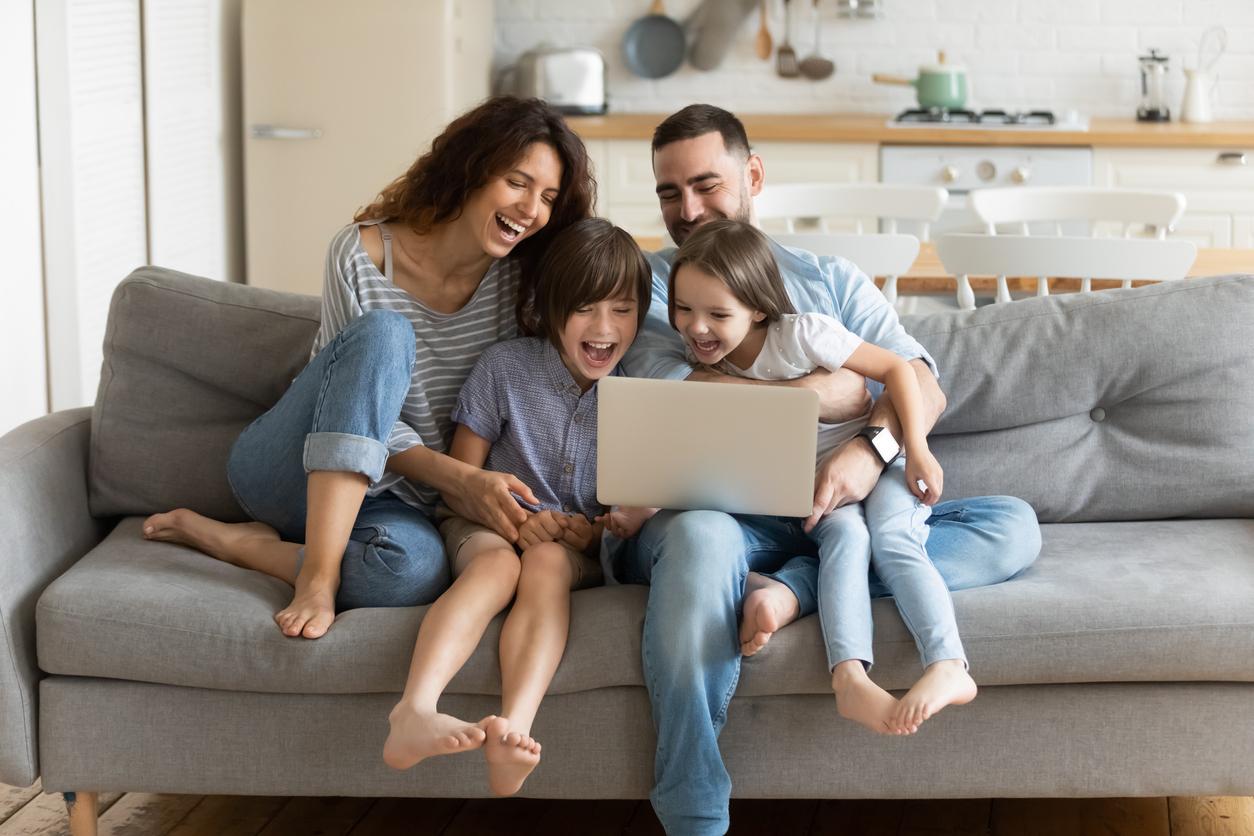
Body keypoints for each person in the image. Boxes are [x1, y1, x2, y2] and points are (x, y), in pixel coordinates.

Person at [608, 104, 1042, 836]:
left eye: (707, 185)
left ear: (752, 175)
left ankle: (794, 589)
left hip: (830, 511)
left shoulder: (828, 281)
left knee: (1012, 526)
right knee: (705, 540)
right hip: (716, 518)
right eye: (669, 193)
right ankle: (692, 809)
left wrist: (867, 449)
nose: (688, 210)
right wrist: (824, 391)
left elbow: (920, 382)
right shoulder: (652, 292)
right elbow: (675, 395)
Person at [141, 96, 595, 642]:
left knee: (408, 576)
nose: (531, 210)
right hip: (293, 466)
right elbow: (347, 397)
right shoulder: (362, 254)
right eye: (518, 182)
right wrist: (461, 478)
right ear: (471, 170)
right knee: (385, 333)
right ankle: (317, 574)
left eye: (547, 198)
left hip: (399, 500)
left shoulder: (522, 285)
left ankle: (241, 544)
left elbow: (598, 315)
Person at [667, 218, 977, 736]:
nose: (697, 327)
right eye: (683, 310)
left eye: (717, 314)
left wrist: (917, 451)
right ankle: (850, 678)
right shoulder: (709, 363)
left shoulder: (804, 333)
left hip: (885, 464)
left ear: (758, 307)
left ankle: (949, 665)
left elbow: (900, 370)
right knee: (852, 538)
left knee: (893, 536)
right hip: (818, 497)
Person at [380, 218, 652, 798]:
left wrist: (588, 534)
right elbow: (460, 482)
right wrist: (515, 519)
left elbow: (626, 518)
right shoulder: (505, 367)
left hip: (570, 551)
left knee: (549, 562)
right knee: (500, 565)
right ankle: (414, 710)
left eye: (623, 310)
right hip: (485, 529)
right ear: (550, 308)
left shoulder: (638, 397)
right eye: (585, 309)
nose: (605, 329)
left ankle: (514, 733)